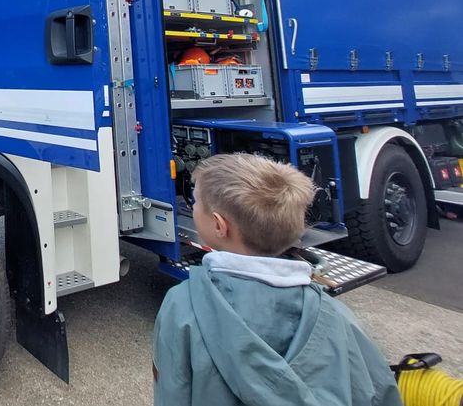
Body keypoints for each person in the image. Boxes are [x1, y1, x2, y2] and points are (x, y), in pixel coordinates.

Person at [153, 153, 402, 406]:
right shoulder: (336, 315)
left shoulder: (182, 305)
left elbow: (173, 390)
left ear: (219, 225)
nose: (192, 207)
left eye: (195, 202)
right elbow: (379, 392)